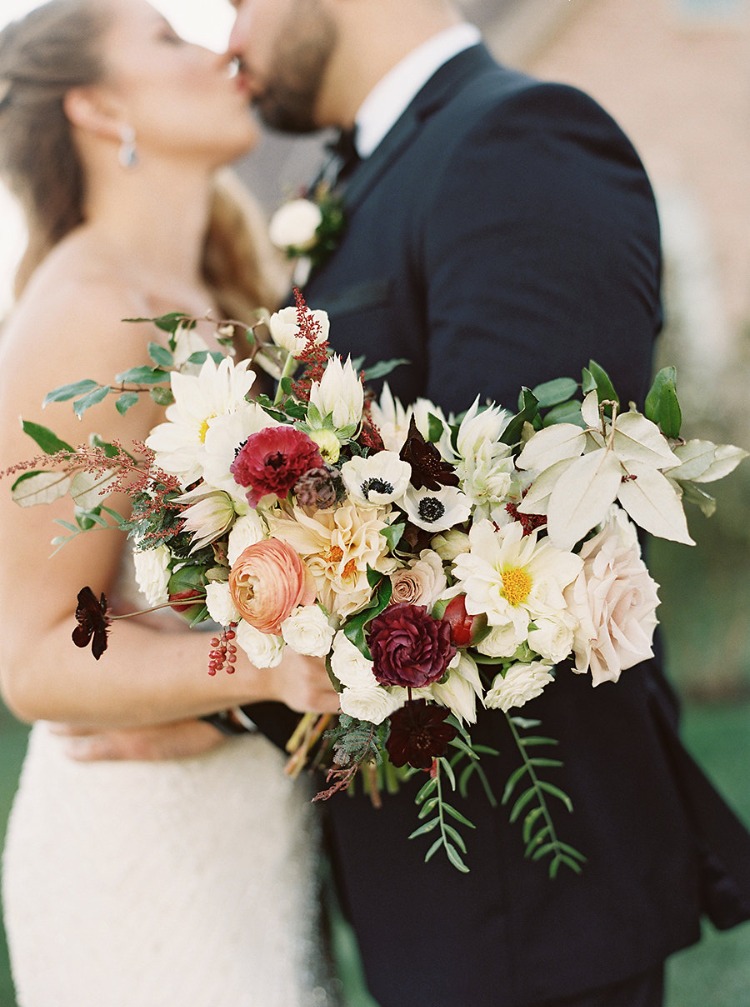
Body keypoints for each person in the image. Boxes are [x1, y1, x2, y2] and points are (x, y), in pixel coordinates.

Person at [220, 1, 750, 1005]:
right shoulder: (359, 174)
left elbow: (515, 517)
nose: (230, 39)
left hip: (527, 872)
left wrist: (203, 678)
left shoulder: (522, 140)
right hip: (434, 882)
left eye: (241, 2)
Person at [0, 2, 339, 1006]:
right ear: (100, 107)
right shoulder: (85, 311)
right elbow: (32, 654)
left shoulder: (214, 285)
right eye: (167, 39)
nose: (219, 48)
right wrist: (269, 666)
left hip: (251, 832)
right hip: (140, 850)